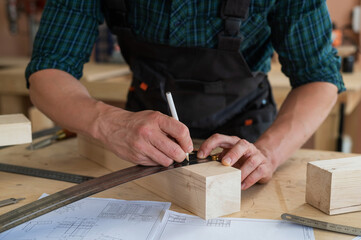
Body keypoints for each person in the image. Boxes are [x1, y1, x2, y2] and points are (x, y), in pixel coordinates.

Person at [26, 0, 344, 190]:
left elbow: (319, 78)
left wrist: (269, 154)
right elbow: (48, 71)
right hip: (135, 147)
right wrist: (109, 123)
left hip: (248, 143)